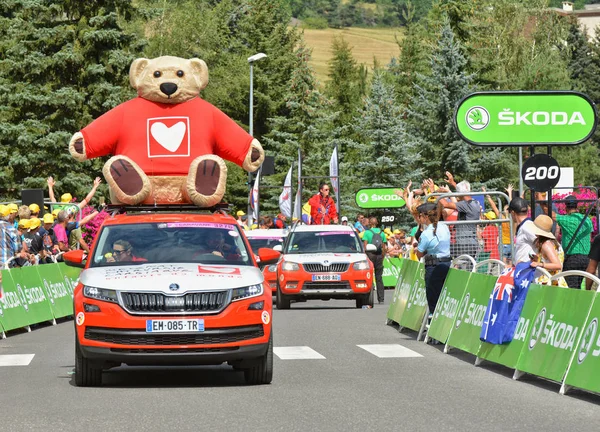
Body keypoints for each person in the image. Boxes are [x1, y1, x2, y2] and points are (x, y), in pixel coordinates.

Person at [413, 202, 452, 314]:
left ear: (425, 216)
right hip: (447, 264)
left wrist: (421, 249)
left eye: (420, 216)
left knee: (433, 298)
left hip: (433, 266)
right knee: (444, 297)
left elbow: (419, 255)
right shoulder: (444, 227)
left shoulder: (426, 234)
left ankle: (433, 325)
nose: (419, 218)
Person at [552, 195, 593, 289]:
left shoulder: (567, 220)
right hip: (586, 259)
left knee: (571, 287)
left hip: (572, 258)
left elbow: (552, 214)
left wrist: (542, 202)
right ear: (577, 206)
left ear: (566, 207)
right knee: (581, 286)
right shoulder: (587, 220)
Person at [439, 174, 481, 258]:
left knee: (463, 267)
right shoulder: (475, 203)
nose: (457, 194)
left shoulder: (465, 205)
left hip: (464, 243)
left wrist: (434, 192)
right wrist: (453, 183)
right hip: (470, 242)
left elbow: (446, 204)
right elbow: (463, 193)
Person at [529, 215, 567, 287]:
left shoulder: (546, 245)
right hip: (553, 280)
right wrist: (537, 260)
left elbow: (558, 265)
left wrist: (540, 264)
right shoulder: (551, 242)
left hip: (549, 282)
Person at [362, 216, 387, 304]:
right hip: (379, 255)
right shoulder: (382, 233)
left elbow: (365, 246)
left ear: (370, 223)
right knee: (379, 278)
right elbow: (384, 247)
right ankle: (381, 299)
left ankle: (368, 297)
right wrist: (382, 256)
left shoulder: (367, 233)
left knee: (369, 277)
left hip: (370, 255)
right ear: (377, 223)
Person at [509, 197, 537, 264]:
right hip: (523, 269)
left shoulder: (526, 227)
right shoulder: (524, 226)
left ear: (513, 213)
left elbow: (544, 243)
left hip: (528, 271)